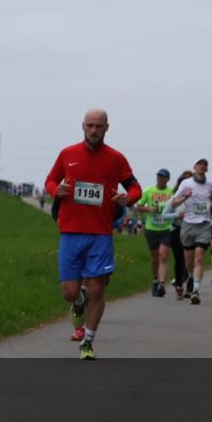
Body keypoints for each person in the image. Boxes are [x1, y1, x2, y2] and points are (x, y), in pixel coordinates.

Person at [45, 108, 141, 360]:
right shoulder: (67, 154)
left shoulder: (116, 158)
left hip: (100, 234)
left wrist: (127, 198)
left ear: (107, 128)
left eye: (99, 126)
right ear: (82, 126)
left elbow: (135, 188)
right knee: (68, 291)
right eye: (90, 125)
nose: (94, 130)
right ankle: (77, 302)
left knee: (98, 289)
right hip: (70, 232)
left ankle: (87, 342)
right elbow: (49, 181)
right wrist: (58, 191)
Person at [170, 158, 212, 304]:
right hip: (188, 225)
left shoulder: (210, 185)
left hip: (204, 225)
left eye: (205, 165)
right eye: (200, 164)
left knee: (199, 257)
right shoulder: (186, 183)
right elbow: (174, 202)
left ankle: (196, 290)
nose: (203, 166)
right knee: (188, 261)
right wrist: (185, 197)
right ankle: (190, 276)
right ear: (194, 167)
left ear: (207, 169)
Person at [137, 168, 174, 297]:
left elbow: (178, 205)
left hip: (167, 228)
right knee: (154, 258)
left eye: (163, 177)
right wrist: (148, 208)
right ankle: (155, 279)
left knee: (163, 256)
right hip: (152, 229)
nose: (160, 179)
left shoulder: (172, 192)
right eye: (158, 176)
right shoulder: (149, 191)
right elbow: (139, 207)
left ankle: (161, 284)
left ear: (168, 179)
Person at [164, 170, 193, 299]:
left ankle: (191, 286)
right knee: (179, 260)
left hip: (193, 231)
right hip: (177, 230)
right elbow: (164, 216)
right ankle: (179, 285)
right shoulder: (174, 199)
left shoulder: (198, 198)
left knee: (191, 259)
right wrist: (178, 215)